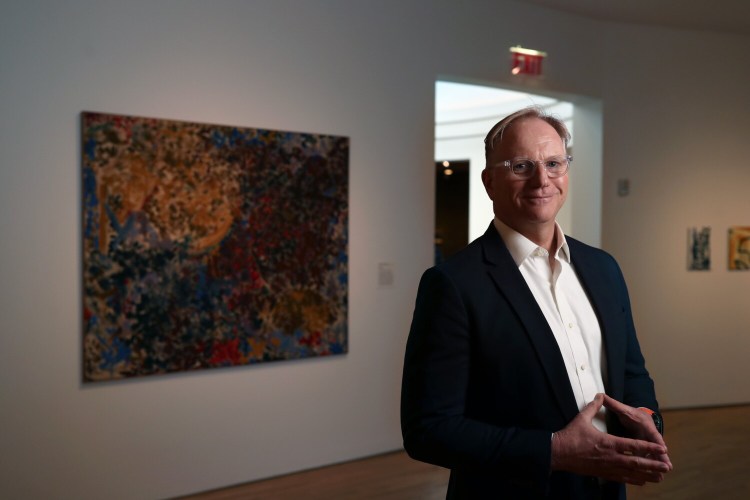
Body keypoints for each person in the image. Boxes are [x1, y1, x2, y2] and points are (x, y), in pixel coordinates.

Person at [401, 107, 672, 499]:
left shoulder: (603, 268)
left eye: (553, 163)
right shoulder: (453, 285)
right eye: (521, 166)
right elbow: (428, 430)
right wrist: (555, 451)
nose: (541, 179)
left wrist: (645, 417)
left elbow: (632, 373)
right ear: (490, 181)